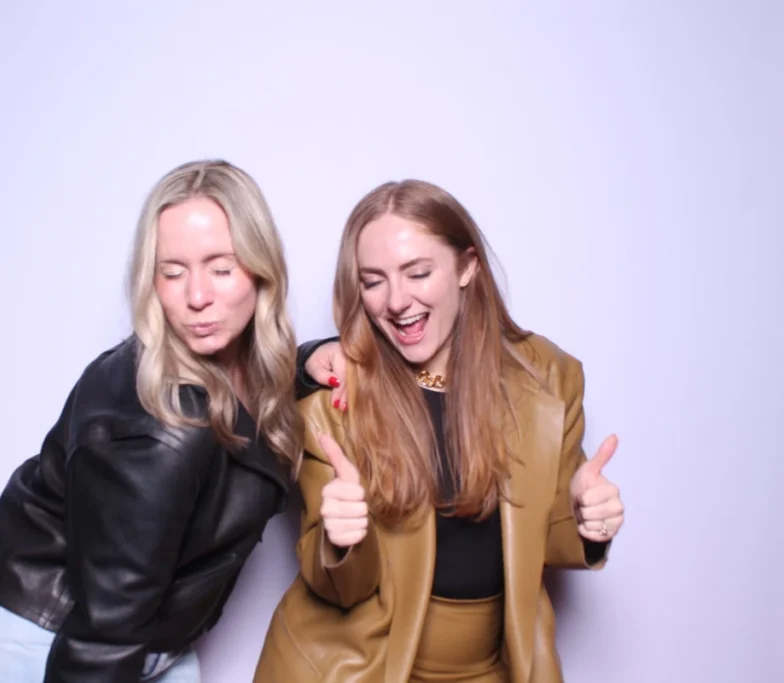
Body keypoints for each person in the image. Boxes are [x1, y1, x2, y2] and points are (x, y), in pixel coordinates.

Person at [256, 179, 626, 683]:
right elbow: (338, 586)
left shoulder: (549, 377)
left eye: (418, 272)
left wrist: (586, 520)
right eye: (373, 281)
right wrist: (340, 542)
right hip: (359, 668)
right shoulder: (337, 398)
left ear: (467, 266)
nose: (396, 300)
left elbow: (550, 542)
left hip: (495, 666)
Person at [0, 159, 305, 683]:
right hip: (49, 639)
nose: (197, 296)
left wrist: (318, 360)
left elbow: (252, 399)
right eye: (172, 271)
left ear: (261, 270)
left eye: (221, 268)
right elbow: (103, 632)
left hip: (144, 632)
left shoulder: (241, 368)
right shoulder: (159, 428)